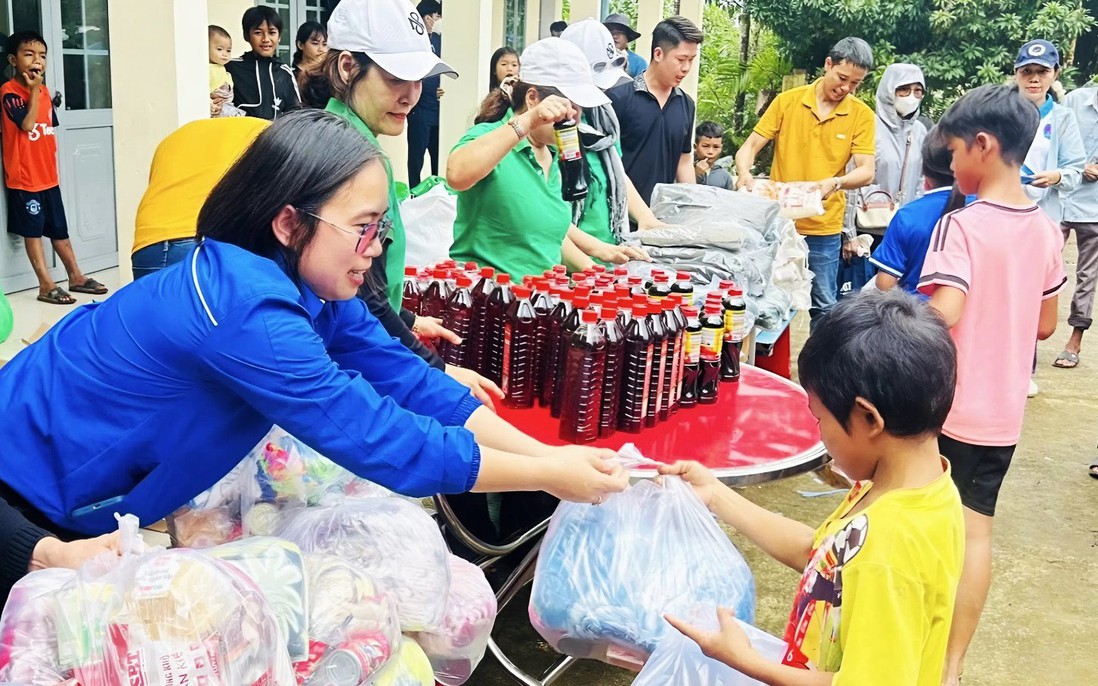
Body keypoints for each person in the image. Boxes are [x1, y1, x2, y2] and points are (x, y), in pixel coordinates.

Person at [0, 110, 628, 603]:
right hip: (20, 486)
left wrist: (553, 457)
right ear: (288, 223)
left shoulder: (310, 287)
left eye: (382, 227)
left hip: (80, 490)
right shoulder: (246, 311)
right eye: (364, 226)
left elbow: (411, 382)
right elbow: (377, 437)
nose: (376, 247)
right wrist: (550, 477)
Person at [661, 289, 964, 685]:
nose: (819, 434)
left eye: (820, 420)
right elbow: (823, 556)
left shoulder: (889, 548)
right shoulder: (915, 490)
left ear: (868, 419)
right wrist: (716, 493)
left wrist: (745, 660)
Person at [916, 84, 1066, 686]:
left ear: (982, 145)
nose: (950, 165)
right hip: (1002, 413)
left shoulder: (963, 226)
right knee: (976, 532)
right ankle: (951, 669)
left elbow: (947, 310)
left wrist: (900, 315)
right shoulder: (1045, 230)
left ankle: (915, 649)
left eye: (953, 152)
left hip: (944, 408)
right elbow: (1047, 324)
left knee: (919, 525)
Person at [301, 0, 485, 390]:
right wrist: (438, 372)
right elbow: (362, 301)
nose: (411, 96)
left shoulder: (342, 135)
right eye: (396, 79)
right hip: (345, 361)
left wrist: (408, 321)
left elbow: (370, 287)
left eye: (418, 80)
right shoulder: (348, 156)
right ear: (348, 67)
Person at [446, 37, 647, 279]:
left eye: (580, 109)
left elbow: (544, 228)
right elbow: (457, 175)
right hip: (489, 299)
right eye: (569, 106)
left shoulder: (554, 151)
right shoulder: (491, 137)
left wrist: (596, 257)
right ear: (533, 98)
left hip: (539, 302)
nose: (575, 117)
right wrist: (528, 122)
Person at [735, 37, 876, 328]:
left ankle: (821, 372)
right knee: (767, 297)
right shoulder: (788, 101)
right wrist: (744, 173)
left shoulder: (861, 115)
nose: (846, 88)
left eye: (855, 84)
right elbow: (749, 147)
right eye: (842, 78)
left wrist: (835, 182)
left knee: (824, 305)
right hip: (780, 223)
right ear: (828, 64)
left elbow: (866, 170)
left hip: (824, 226)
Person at [2, 31, 107, 306]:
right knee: (33, 231)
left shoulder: (46, 92)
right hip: (25, 179)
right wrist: (34, 90)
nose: (37, 61)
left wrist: (40, 91)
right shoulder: (9, 92)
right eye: (29, 54)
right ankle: (46, 284)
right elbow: (26, 125)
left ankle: (76, 276)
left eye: (42, 56)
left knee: (59, 229)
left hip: (48, 175)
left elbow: (49, 127)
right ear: (13, 60)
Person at [560, 18, 663, 245]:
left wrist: (646, 217)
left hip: (606, 254)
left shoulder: (601, 117)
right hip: (565, 264)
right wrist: (594, 256)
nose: (602, 90)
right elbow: (548, 214)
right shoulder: (552, 126)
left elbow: (616, 172)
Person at [131, 117, 269, 280]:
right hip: (203, 239)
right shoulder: (272, 137)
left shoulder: (177, 137)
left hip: (148, 244)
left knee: (150, 305)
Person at [607, 16, 704, 206]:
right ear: (658, 54)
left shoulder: (686, 105)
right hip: (620, 215)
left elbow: (683, 160)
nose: (686, 68)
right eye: (681, 59)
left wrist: (693, 204)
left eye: (691, 60)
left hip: (662, 216)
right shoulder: (620, 98)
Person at [871, 127, 965, 296]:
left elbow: (885, 284)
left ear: (924, 169)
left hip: (917, 316)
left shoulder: (908, 216)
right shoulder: (981, 208)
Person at [854, 63, 929, 245]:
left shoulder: (919, 131)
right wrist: (849, 233)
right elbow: (852, 180)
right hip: (868, 228)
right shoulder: (867, 126)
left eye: (918, 91)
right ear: (889, 89)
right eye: (904, 90)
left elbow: (922, 180)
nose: (911, 96)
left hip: (906, 229)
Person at [1014, 39, 1084, 226]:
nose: (1034, 78)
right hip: (1002, 209)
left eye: (1043, 71)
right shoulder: (999, 112)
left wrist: (1057, 177)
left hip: (1044, 215)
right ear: (1016, 73)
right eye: (1026, 71)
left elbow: (1075, 169)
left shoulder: (1063, 118)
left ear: (1055, 74)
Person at [1056, 84, 1098, 370]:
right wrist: (1080, 167)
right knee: (1038, 266)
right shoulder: (1075, 100)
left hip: (1094, 208)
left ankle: (1075, 340)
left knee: (1087, 275)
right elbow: (1054, 141)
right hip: (1058, 199)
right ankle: (1026, 335)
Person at [225, 5, 300, 120]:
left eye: (272, 32)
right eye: (258, 33)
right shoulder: (232, 68)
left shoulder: (284, 72)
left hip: (275, 136)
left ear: (279, 36)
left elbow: (295, 113)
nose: (266, 39)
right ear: (246, 36)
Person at [407, 1, 444, 189]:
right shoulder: (413, 40)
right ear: (427, 18)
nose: (439, 20)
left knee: (439, 157)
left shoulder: (440, 41)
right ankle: (414, 194)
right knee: (416, 158)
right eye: (437, 16)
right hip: (419, 110)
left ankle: (438, 193)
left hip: (439, 110)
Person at [208, 25, 243, 118]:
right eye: (219, 49)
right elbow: (199, 90)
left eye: (228, 50)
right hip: (216, 108)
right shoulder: (207, 69)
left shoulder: (225, 69)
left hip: (227, 106)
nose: (225, 54)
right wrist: (209, 103)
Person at [603, 12, 647, 78]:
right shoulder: (598, 58)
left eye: (619, 32)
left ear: (628, 37)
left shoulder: (639, 62)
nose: (614, 36)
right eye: (610, 32)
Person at [693, 121, 734, 190]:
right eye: (705, 146)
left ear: (721, 148)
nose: (710, 152)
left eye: (716, 147)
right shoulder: (686, 170)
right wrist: (697, 174)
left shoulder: (724, 176)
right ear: (695, 147)